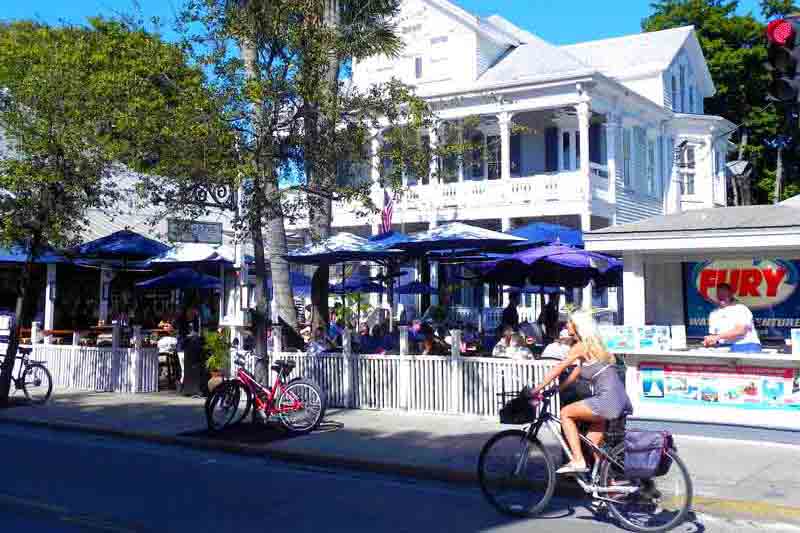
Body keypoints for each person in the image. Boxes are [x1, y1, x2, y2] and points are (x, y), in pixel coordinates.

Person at [530, 310, 632, 475]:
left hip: (607, 400)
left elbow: (559, 367)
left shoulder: (580, 346)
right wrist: (558, 388)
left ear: (578, 326)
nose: (566, 325)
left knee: (565, 414)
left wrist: (536, 389)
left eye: (569, 322)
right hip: (619, 399)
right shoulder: (594, 345)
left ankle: (578, 460)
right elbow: (577, 371)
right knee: (592, 442)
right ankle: (609, 483)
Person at [704, 282, 761, 353]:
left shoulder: (741, 308)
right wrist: (709, 341)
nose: (722, 297)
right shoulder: (713, 314)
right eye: (719, 295)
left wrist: (717, 337)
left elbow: (740, 330)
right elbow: (714, 337)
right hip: (724, 348)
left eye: (724, 294)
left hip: (746, 345)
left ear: (731, 295)